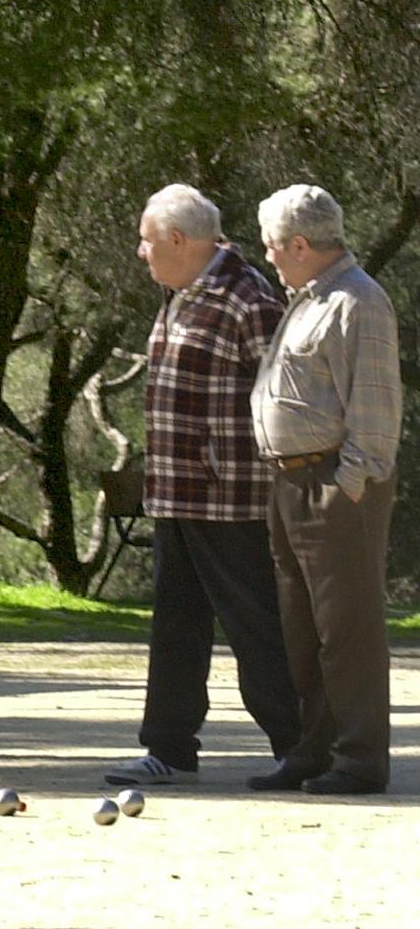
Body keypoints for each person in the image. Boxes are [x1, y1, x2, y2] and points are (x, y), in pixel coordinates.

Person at [102, 185, 302, 789]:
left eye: (147, 239)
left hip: (230, 497)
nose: (141, 252)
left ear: (179, 240)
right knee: (175, 628)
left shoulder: (246, 298)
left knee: (256, 626)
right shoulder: (181, 295)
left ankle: (299, 746)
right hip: (176, 496)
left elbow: (284, 397)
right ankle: (168, 748)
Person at [249, 185, 403, 796]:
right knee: (303, 629)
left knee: (348, 630)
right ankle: (314, 751)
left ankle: (360, 759)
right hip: (291, 481)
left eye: (272, 247)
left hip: (334, 483)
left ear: (300, 244)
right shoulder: (307, 299)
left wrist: (351, 485)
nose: (269, 258)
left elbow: (376, 403)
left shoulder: (358, 301)